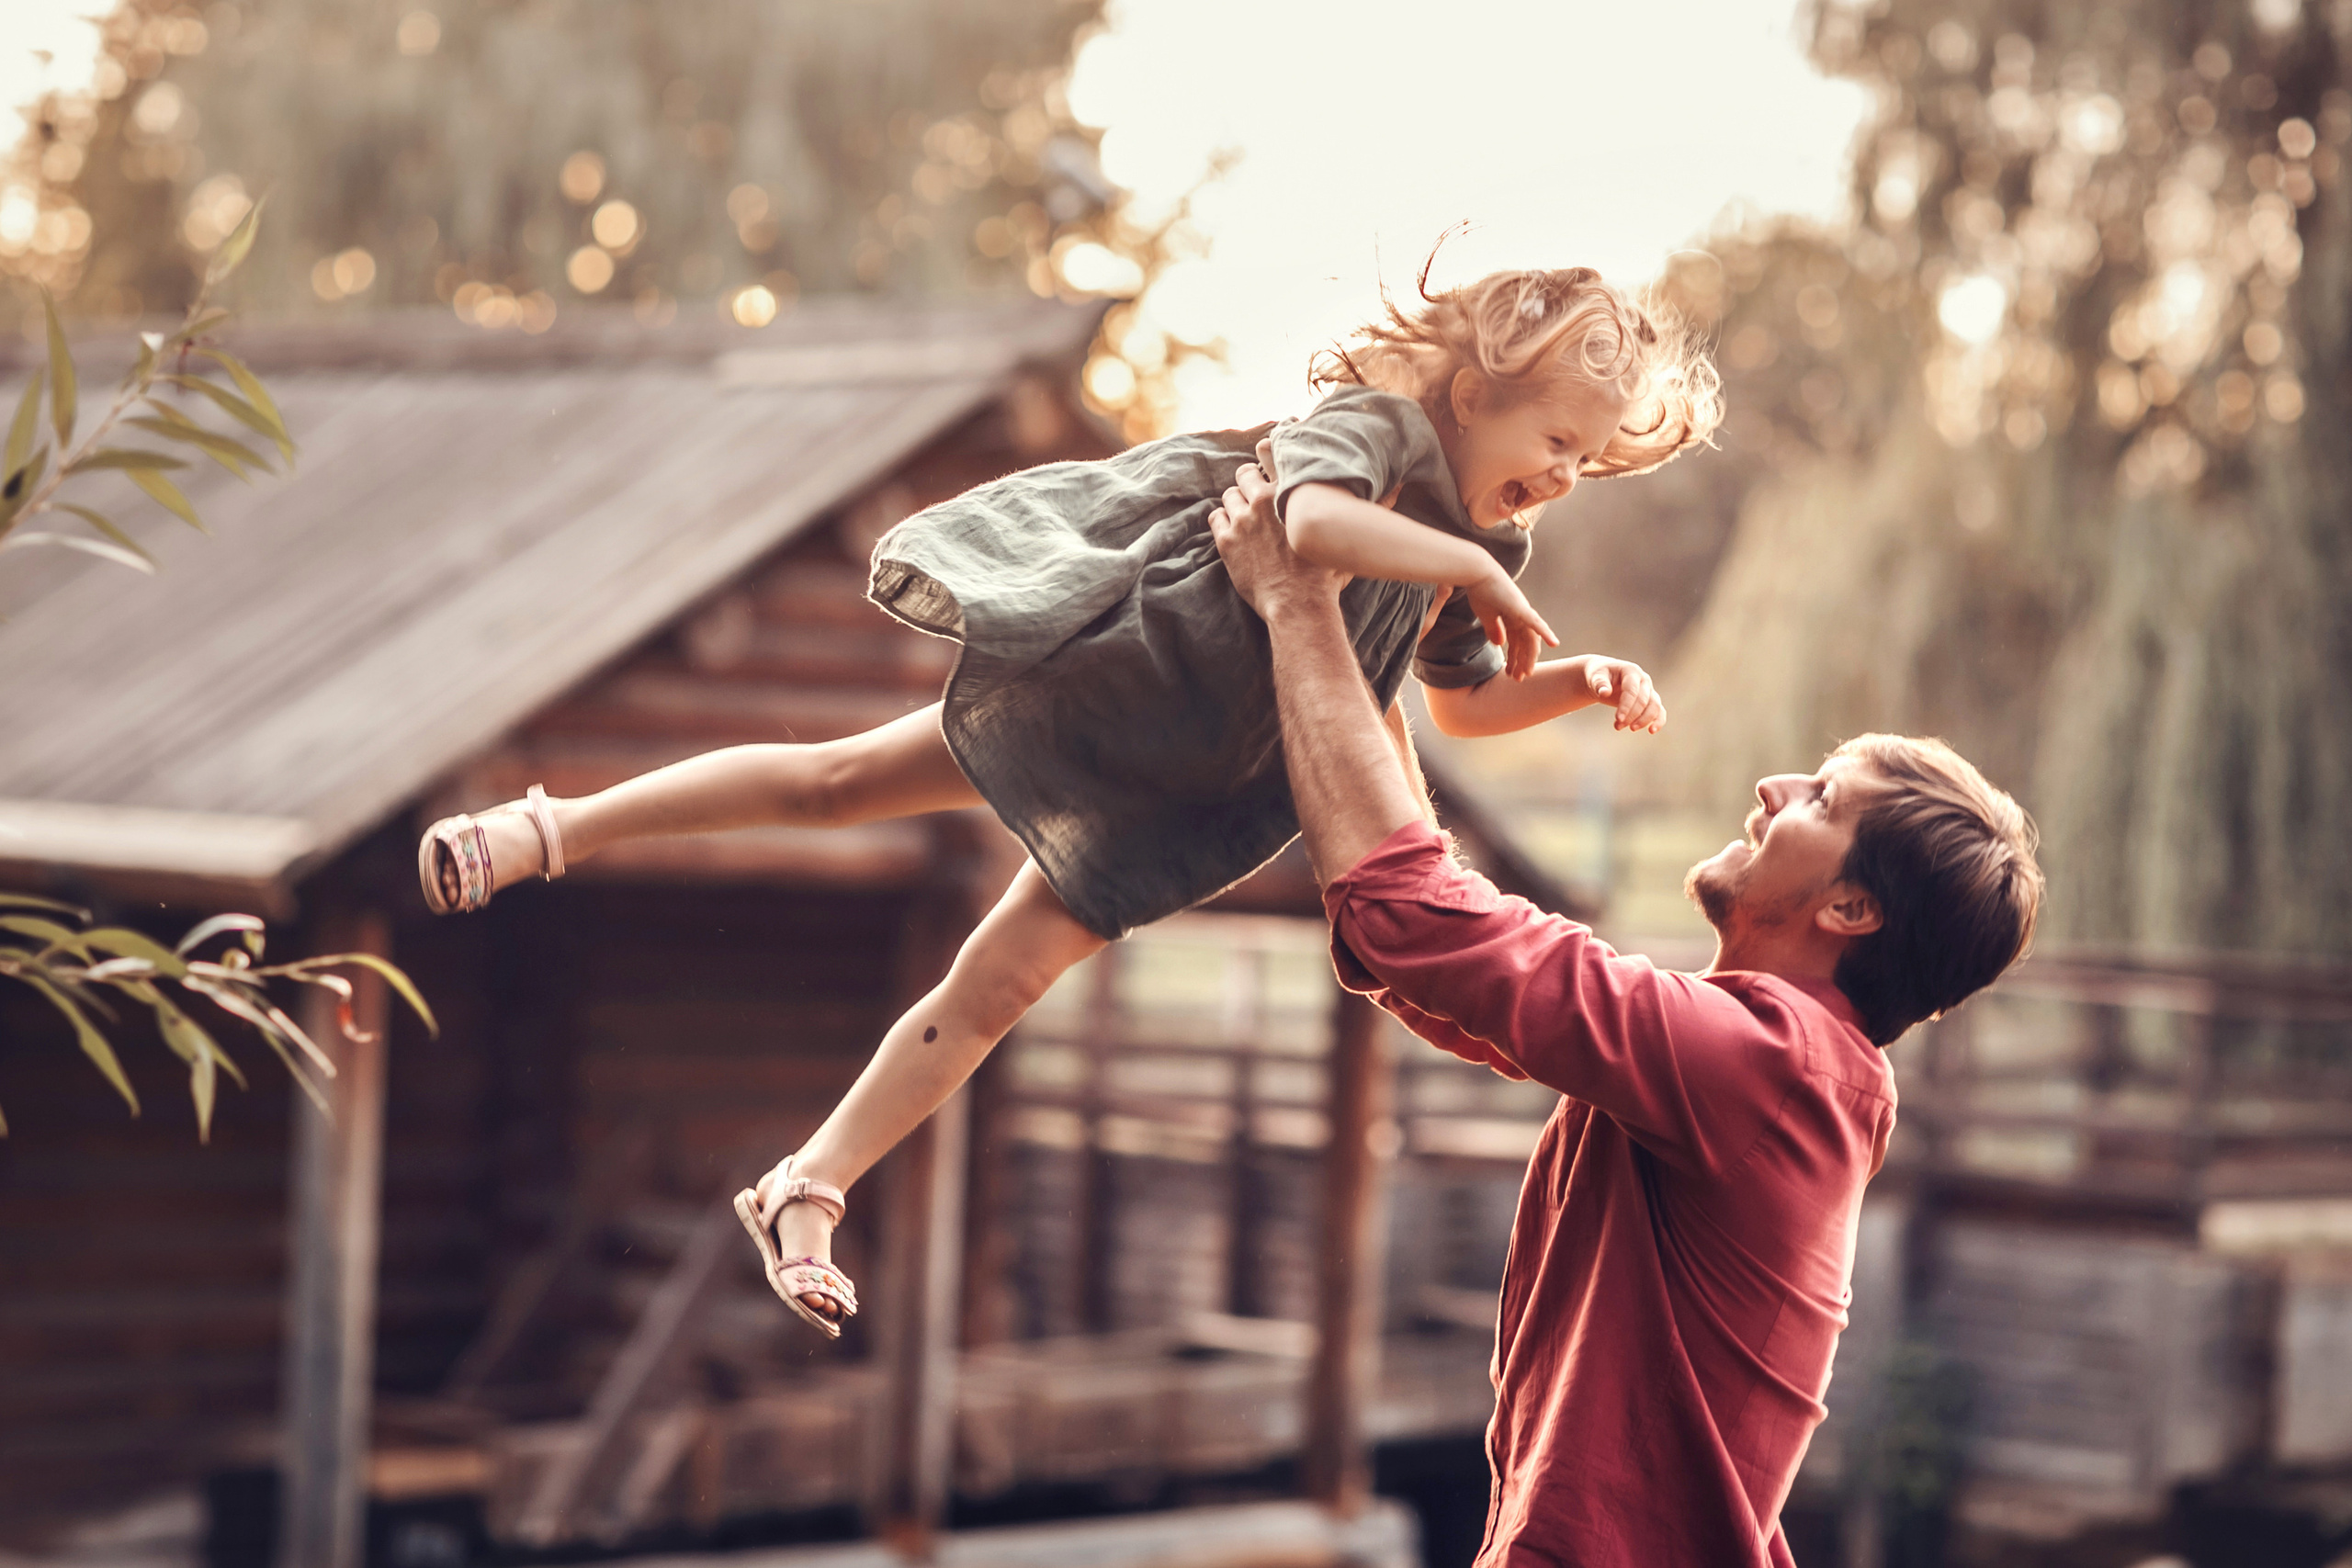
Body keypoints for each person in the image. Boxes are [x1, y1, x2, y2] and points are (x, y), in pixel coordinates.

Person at [415, 259, 1721, 1337]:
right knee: (834, 781)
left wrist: (1573, 683)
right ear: (1477, 390)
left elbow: (1458, 702)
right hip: (1120, 683)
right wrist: (1466, 567)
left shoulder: (1489, 547)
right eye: (1554, 442)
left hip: (1192, 783)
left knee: (997, 987)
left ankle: (808, 1182)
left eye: (1585, 464)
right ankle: (550, 827)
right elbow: (1311, 527)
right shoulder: (1377, 432)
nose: (1559, 478)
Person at [1204, 460, 2043, 1567]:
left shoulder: (1773, 1069)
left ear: (1850, 906)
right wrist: (1370, 633)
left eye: (1822, 800)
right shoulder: (1753, 1063)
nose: (1774, 788)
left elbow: (1423, 921)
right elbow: (1449, 962)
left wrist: (1297, 599)